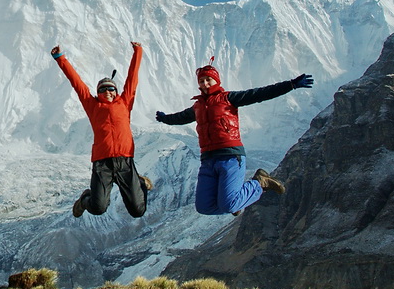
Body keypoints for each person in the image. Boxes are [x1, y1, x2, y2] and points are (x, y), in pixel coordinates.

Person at [155, 59, 313, 216]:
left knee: (229, 205)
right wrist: (165, 118)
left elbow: (260, 94)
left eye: (208, 80)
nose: (205, 84)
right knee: (204, 207)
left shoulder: (228, 98)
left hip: (230, 156)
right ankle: (238, 200)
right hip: (208, 160)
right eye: (202, 81)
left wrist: (290, 84)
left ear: (216, 80)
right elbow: (180, 117)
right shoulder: (197, 107)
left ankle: (260, 182)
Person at [51, 41, 151, 219]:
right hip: (102, 163)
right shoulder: (93, 106)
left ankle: (140, 183)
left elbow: (132, 78)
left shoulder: (125, 103)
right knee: (98, 208)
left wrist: (138, 51)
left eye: (111, 88)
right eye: (103, 89)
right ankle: (84, 200)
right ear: (98, 93)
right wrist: (60, 58)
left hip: (124, 161)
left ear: (116, 91)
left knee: (138, 211)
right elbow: (77, 83)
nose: (108, 91)